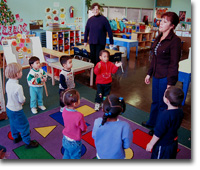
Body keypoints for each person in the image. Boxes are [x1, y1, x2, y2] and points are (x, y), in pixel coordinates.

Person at [142, 12, 181, 136]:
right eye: (161, 20)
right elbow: (154, 58)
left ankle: (158, 128)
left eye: (165, 21)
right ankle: (151, 122)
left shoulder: (175, 41)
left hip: (165, 77)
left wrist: (170, 84)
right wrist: (149, 74)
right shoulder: (159, 37)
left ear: (172, 26)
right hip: (157, 75)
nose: (161, 23)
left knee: (163, 104)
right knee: (155, 101)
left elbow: (174, 63)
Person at [5, 63, 39, 148]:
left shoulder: (8, 82)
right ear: (17, 74)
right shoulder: (18, 87)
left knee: (13, 123)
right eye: (20, 71)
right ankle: (28, 142)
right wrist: (23, 100)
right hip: (17, 110)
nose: (22, 72)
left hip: (9, 108)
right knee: (24, 125)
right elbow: (21, 100)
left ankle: (15, 137)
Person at [146, 86, 184, 159]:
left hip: (163, 145)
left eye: (164, 95)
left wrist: (151, 144)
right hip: (173, 142)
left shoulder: (164, 115)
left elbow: (158, 133)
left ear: (167, 100)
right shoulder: (180, 111)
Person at [92, 94, 133, 159]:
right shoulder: (125, 126)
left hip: (101, 156)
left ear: (103, 109)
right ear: (121, 110)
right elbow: (126, 145)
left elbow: (94, 136)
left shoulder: (97, 122)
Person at [60, 89, 87, 159]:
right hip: (74, 142)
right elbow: (83, 128)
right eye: (79, 99)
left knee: (67, 153)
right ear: (75, 103)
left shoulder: (64, 109)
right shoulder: (79, 115)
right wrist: (84, 129)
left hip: (65, 138)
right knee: (75, 156)